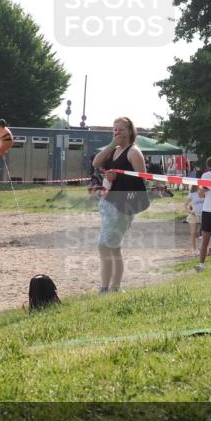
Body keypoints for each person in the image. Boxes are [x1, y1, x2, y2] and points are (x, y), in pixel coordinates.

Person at [92, 116, 147, 293]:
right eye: (114, 129)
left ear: (130, 131)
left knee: (107, 245)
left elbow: (142, 180)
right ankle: (110, 287)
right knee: (110, 246)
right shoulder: (114, 150)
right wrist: (111, 145)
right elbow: (96, 162)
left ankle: (110, 288)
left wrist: (119, 177)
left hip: (123, 205)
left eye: (121, 129)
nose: (117, 132)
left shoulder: (134, 152)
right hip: (108, 202)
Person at [186, 183, 206, 255]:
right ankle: (194, 249)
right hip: (194, 215)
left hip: (204, 215)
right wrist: (190, 211)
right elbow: (186, 205)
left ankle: (202, 247)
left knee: (203, 233)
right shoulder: (192, 194)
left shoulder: (205, 192)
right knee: (193, 233)